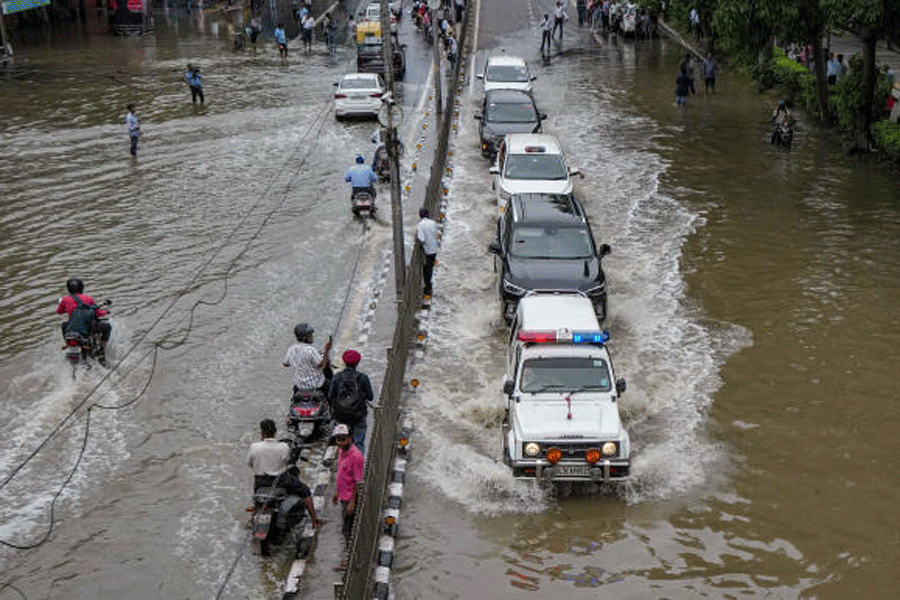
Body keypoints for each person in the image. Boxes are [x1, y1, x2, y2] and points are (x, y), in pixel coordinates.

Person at [248, 419, 324, 532]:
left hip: (260, 482)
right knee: (305, 491)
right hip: (280, 480)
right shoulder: (283, 447)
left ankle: (256, 509)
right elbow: (288, 461)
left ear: (262, 432)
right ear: (275, 431)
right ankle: (314, 520)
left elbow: (250, 463)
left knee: (257, 495)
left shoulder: (254, 447)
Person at [331, 423, 364, 568]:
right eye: (338, 439)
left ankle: (351, 559)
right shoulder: (341, 451)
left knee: (348, 530)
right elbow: (340, 473)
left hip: (349, 498)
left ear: (350, 438)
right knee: (346, 528)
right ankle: (350, 556)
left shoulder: (356, 456)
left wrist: (352, 502)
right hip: (343, 495)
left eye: (343, 439)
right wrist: (336, 492)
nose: (340, 442)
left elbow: (357, 481)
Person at [328, 349, 374, 454]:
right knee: (359, 442)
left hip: (341, 416)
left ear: (344, 362)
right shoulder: (363, 378)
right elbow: (370, 397)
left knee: (340, 441)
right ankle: (358, 465)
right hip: (358, 415)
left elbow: (330, 397)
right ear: (358, 363)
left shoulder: (337, 377)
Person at [57, 277, 111, 364]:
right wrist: (106, 312)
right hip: (88, 328)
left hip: (73, 330)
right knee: (108, 327)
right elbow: (97, 314)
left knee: (64, 325)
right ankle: (101, 349)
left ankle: (68, 343)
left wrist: (67, 308)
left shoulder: (65, 299)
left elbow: (59, 312)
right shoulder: (88, 298)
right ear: (81, 287)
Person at [283, 323, 333, 395]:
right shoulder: (310, 350)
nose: (312, 337)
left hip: (299, 387)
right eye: (310, 335)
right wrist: (327, 350)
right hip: (316, 386)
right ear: (305, 337)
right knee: (331, 386)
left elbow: (285, 363)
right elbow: (322, 365)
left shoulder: (292, 349)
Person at [417, 208, 438, 296]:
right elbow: (436, 233)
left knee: (426, 270)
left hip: (427, 250)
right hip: (434, 248)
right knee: (430, 268)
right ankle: (429, 285)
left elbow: (421, 238)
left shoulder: (420, 225)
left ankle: (428, 288)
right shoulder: (433, 223)